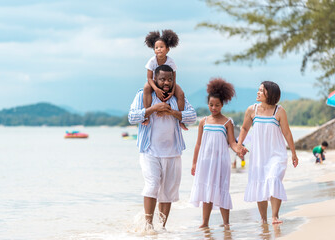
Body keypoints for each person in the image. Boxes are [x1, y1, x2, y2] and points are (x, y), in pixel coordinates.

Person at [128, 65, 197, 229]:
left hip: (173, 152)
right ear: (155, 80)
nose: (166, 82)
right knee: (151, 186)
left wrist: (172, 112)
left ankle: (163, 228)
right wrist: (153, 109)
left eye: (170, 79)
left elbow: (193, 117)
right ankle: (148, 226)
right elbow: (131, 117)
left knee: (167, 192)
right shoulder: (144, 95)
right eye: (162, 79)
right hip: (149, 150)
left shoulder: (176, 98)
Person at [236, 81, 299, 225]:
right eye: (258, 90)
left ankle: (274, 216)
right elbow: (245, 129)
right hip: (259, 155)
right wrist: (239, 145)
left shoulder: (279, 111)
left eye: (261, 90)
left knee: (274, 179)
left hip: (276, 153)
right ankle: (263, 219)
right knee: (260, 184)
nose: (258, 92)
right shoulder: (252, 110)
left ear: (269, 94)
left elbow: (287, 133)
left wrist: (294, 153)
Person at [189, 78, 245, 228]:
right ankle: (205, 223)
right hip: (205, 161)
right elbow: (198, 144)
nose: (214, 108)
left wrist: (240, 149)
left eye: (217, 105)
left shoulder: (227, 123)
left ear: (222, 105)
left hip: (221, 162)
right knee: (207, 190)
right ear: (208, 104)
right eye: (211, 105)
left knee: (222, 189)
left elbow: (232, 143)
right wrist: (194, 163)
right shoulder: (203, 122)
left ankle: (226, 223)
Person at [143, 29, 187, 130]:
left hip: (169, 83)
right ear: (154, 50)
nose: (159, 49)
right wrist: (156, 89)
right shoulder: (152, 61)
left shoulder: (171, 61)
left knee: (180, 93)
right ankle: (147, 115)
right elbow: (149, 78)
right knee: (146, 87)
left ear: (167, 49)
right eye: (156, 47)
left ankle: (181, 120)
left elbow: (174, 78)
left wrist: (172, 92)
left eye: (161, 47)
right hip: (154, 83)